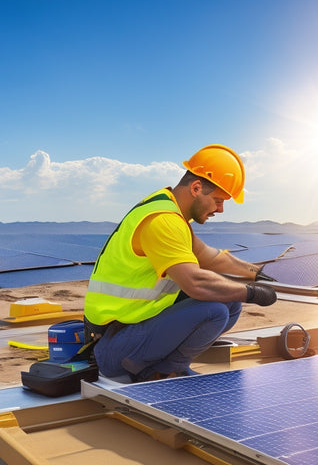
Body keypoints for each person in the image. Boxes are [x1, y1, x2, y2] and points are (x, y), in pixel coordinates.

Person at [83, 144, 277, 382]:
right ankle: (156, 372)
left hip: (131, 326)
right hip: (111, 345)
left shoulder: (170, 210)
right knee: (214, 311)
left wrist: (256, 273)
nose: (221, 209)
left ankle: (166, 366)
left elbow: (210, 257)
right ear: (196, 188)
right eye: (218, 200)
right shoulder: (163, 221)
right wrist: (253, 293)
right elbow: (196, 282)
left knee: (230, 303)